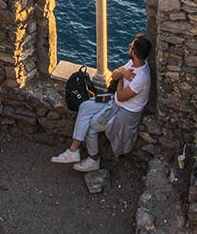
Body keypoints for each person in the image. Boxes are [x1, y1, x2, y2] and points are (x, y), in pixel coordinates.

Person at [51, 34, 152, 173]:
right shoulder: (132, 64)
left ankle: (93, 160)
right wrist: (122, 72)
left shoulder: (141, 77)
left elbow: (122, 96)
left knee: (91, 126)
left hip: (124, 112)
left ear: (134, 52)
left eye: (130, 47)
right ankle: (73, 150)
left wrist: (121, 77)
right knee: (85, 106)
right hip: (113, 101)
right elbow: (115, 74)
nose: (129, 48)